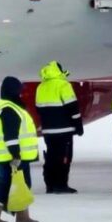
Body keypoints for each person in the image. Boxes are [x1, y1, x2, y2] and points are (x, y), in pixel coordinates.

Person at [0, 76, 40, 222]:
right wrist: (15, 154)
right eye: (19, 90)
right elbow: (11, 136)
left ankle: (22, 217)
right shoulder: (9, 109)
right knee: (4, 187)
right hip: (11, 157)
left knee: (22, 186)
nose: (21, 93)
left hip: (16, 156)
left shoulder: (10, 107)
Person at [34, 61, 83, 194]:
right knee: (64, 157)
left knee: (51, 156)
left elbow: (38, 109)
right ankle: (61, 185)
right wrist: (78, 125)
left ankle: (50, 184)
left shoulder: (41, 87)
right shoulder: (63, 85)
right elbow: (72, 107)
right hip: (64, 130)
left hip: (48, 131)